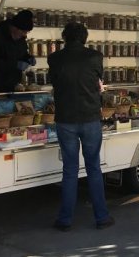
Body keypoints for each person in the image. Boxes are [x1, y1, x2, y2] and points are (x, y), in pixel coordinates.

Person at [47, 22, 114, 231]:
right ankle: (101, 217)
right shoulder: (95, 57)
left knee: (69, 170)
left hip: (66, 119)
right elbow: (98, 82)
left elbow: (56, 84)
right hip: (90, 118)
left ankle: (65, 220)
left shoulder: (54, 58)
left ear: (65, 37)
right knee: (94, 168)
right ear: (84, 38)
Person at [0, 9, 36, 94]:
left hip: (15, 85)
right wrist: (15, 64)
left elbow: (22, 54)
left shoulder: (21, 39)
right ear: (14, 27)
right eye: (23, 31)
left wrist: (28, 58)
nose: (25, 34)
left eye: (27, 32)